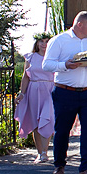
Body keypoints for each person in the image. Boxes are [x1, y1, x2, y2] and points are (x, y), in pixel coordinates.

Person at [43, 11, 87, 174]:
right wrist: (65, 65)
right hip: (65, 92)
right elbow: (46, 64)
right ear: (80, 25)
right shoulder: (59, 40)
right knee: (62, 130)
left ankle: (86, 168)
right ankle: (59, 166)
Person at [15, 32, 55, 163]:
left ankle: (45, 150)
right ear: (37, 43)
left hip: (49, 91)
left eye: (47, 41)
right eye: (41, 41)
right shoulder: (30, 57)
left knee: (47, 119)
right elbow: (26, 77)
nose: (44, 44)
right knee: (36, 122)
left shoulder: (53, 57)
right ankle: (41, 153)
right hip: (34, 90)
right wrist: (22, 93)